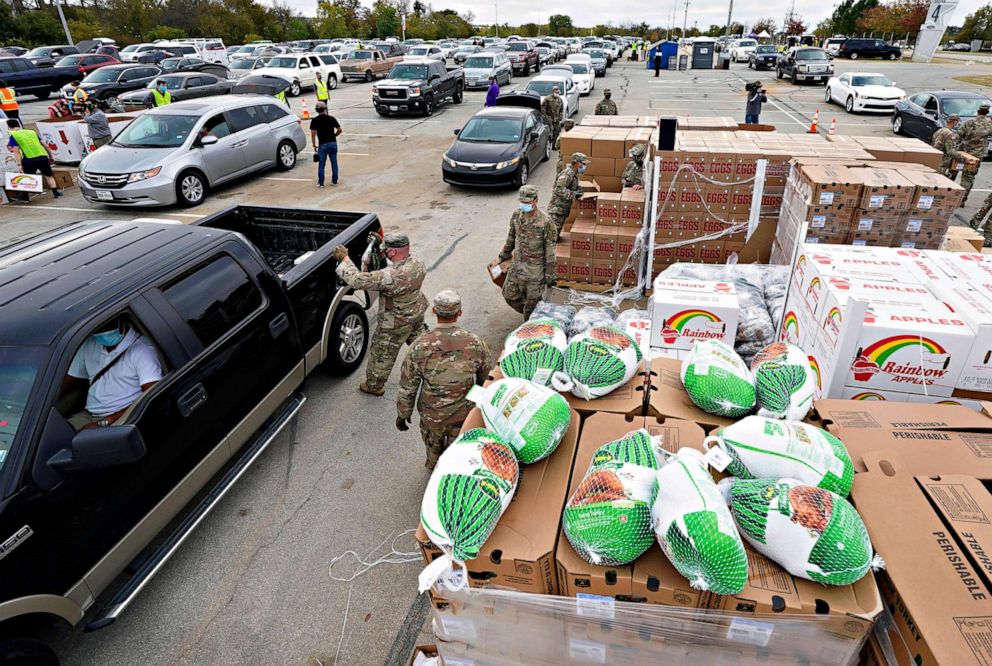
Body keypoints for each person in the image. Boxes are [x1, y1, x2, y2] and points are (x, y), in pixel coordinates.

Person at [396, 289, 493, 470]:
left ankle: (434, 471)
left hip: (432, 417)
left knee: (434, 451)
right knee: (459, 455)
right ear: (460, 313)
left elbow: (408, 387)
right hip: (464, 416)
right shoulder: (475, 343)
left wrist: (403, 415)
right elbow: (487, 381)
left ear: (434, 311)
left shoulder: (420, 345)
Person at [332, 234, 428, 396]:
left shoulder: (390, 275)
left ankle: (374, 386)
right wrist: (381, 243)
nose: (385, 254)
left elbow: (357, 280)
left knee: (382, 354)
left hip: (394, 323)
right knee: (422, 346)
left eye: (386, 251)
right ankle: (432, 369)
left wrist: (344, 259)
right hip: (416, 313)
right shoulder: (418, 263)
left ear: (393, 252)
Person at [62, 317, 163, 431]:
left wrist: (106, 421)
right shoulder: (90, 344)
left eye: (107, 327)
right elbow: (69, 379)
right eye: (99, 329)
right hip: (89, 414)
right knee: (56, 438)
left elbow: (152, 395)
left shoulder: (142, 350)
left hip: (123, 417)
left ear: (120, 322)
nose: (103, 332)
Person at [498, 185, 557, 319]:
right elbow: (511, 236)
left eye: (527, 202)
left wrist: (550, 274)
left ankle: (530, 324)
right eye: (522, 202)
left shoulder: (546, 222)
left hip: (535, 271)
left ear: (536, 200)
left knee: (532, 305)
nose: (524, 205)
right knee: (509, 294)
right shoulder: (516, 215)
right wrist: (504, 254)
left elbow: (550, 251)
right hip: (517, 265)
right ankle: (535, 314)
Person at [7, 119, 62, 199]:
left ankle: (25, 197)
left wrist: (19, 164)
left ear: (9, 127)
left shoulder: (14, 136)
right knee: (48, 176)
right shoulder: (32, 132)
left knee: (27, 178)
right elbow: (45, 145)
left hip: (29, 159)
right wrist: (50, 156)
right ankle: (56, 192)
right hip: (42, 157)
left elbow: (16, 152)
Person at [956, 102, 992, 204]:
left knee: (954, 171)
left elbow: (959, 134)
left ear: (978, 111)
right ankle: (962, 200)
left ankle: (952, 196)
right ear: (987, 112)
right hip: (977, 155)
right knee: (969, 177)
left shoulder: (970, 122)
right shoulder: (989, 123)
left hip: (964, 152)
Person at [547, 152, 588, 237]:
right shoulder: (567, 174)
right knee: (551, 237)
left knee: (554, 236)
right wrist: (574, 194)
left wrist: (577, 189)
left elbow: (568, 187)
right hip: (556, 211)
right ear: (577, 163)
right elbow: (558, 189)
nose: (585, 166)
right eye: (583, 164)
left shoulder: (573, 175)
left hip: (562, 210)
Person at [310, 101, 342, 187]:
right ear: (325, 109)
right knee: (334, 162)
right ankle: (334, 181)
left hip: (322, 144)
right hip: (332, 143)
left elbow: (313, 133)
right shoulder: (331, 118)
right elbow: (340, 130)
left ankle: (321, 183)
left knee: (321, 164)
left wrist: (314, 144)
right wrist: (334, 136)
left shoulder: (315, 120)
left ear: (316, 110)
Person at [932, 113, 962, 180]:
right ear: (954, 122)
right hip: (943, 162)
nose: (957, 123)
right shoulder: (949, 134)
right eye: (957, 121)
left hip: (935, 159)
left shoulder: (939, 131)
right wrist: (962, 157)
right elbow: (950, 151)